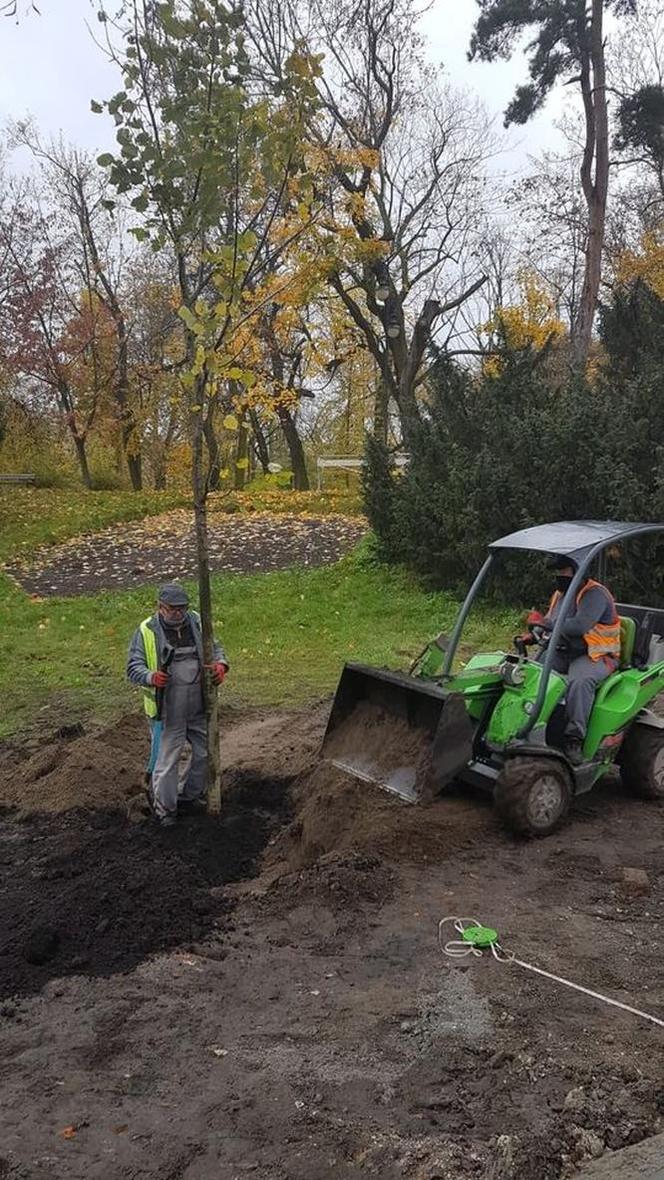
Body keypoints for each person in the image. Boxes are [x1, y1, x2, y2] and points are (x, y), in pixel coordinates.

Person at [127, 583, 228, 826]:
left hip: (197, 705)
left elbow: (215, 648)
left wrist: (221, 665)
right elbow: (133, 667)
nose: (178, 614)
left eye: (182, 609)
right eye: (172, 609)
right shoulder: (147, 631)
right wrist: (152, 677)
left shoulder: (196, 622)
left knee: (206, 753)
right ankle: (166, 811)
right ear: (160, 608)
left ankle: (190, 796)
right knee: (168, 760)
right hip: (168, 711)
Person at [524, 555, 621, 765]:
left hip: (596, 654)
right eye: (556, 573)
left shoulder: (595, 594)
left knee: (579, 681)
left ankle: (573, 738)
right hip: (566, 650)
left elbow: (578, 626)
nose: (559, 577)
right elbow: (551, 620)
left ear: (579, 571)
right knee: (533, 673)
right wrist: (535, 633)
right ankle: (530, 722)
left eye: (563, 571)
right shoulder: (561, 594)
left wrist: (546, 624)